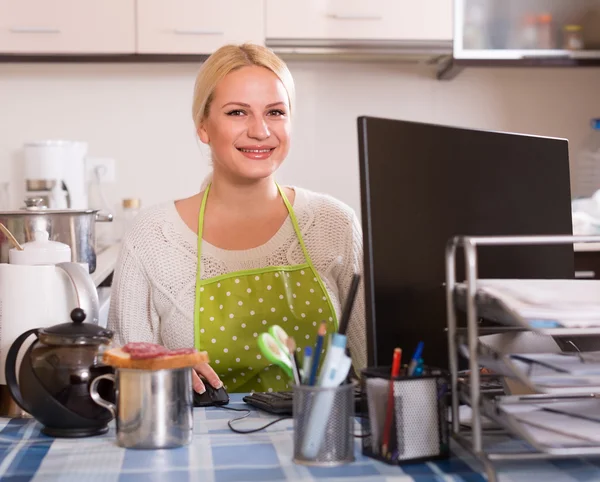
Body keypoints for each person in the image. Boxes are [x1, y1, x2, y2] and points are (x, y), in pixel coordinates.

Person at [108, 43, 366, 394]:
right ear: (203, 126)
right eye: (237, 113)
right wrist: (163, 379)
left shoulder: (335, 222)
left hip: (319, 441)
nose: (260, 131)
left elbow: (375, 371)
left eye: (275, 112)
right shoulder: (153, 236)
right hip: (194, 444)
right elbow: (127, 379)